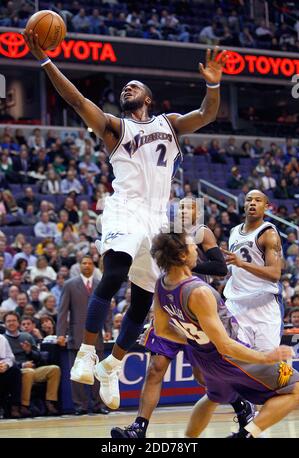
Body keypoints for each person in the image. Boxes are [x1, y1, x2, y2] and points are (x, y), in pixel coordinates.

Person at [24, 29, 228, 410]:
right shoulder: (116, 127)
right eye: (123, 89)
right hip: (124, 208)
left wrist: (213, 85)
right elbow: (76, 99)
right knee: (114, 273)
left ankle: (112, 365)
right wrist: (45, 61)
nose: (126, 90)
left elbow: (207, 114)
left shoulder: (168, 123)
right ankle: (87, 352)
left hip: (156, 218)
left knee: (142, 301)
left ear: (148, 98)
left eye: (133, 87)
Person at [111, 197, 253, 438]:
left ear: (198, 213)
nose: (185, 210)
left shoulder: (202, 233)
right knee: (155, 369)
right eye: (182, 207)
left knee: (202, 375)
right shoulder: (166, 234)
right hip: (169, 305)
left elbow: (220, 268)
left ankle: (241, 405)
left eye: (191, 207)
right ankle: (139, 428)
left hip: (195, 307)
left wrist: (183, 265)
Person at [150, 229, 299, 438]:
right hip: (231, 359)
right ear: (182, 255)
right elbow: (226, 346)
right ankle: (247, 435)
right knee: (297, 389)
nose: (197, 251)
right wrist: (265, 358)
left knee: (213, 396)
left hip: (205, 360)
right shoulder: (198, 291)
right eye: (194, 246)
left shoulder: (162, 285)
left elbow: (162, 330)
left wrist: (197, 340)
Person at [222, 190, 283, 352]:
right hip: (236, 305)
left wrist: (242, 264)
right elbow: (235, 268)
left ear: (266, 207)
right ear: (244, 205)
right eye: (249, 200)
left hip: (263, 306)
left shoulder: (268, 234)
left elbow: (275, 274)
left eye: (258, 200)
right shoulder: (234, 232)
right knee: (235, 364)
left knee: (267, 366)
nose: (253, 203)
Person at [56, 255, 109, 415]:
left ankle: (98, 405)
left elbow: (107, 309)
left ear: (94, 266)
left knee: (97, 372)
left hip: (97, 336)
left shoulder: (101, 284)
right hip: (76, 335)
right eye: (84, 263)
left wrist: (108, 329)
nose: (87, 265)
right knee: (78, 373)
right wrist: (61, 333)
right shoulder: (69, 285)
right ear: (79, 266)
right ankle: (80, 406)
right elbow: (63, 311)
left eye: (89, 263)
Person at [3, 311, 61, 416]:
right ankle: (24, 405)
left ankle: (50, 402)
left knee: (54, 369)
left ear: (18, 323)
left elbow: (39, 357)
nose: (11, 323)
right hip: (16, 370)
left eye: (14, 320)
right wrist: (22, 365)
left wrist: (29, 352)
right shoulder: (3, 339)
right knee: (28, 372)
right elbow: (6, 359)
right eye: (9, 321)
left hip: (33, 368)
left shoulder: (26, 336)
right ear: (5, 324)